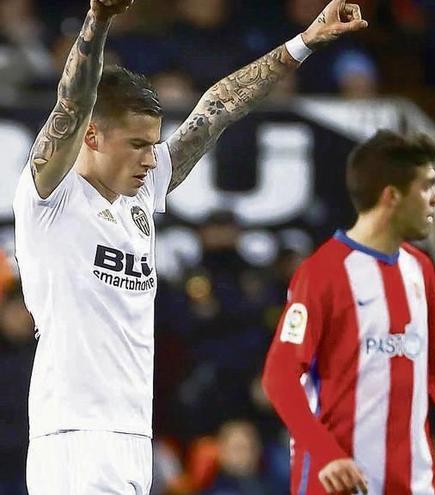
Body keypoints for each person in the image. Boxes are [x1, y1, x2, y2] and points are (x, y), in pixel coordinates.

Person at [12, 0, 367, 493]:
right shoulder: (50, 197)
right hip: (74, 439)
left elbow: (217, 108)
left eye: (153, 144)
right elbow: (71, 104)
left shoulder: (142, 194)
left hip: (134, 435)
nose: (149, 158)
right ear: (91, 136)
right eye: (137, 144)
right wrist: (99, 20)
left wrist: (303, 43)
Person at [261, 130, 435, 495]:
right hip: (339, 484)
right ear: (392, 196)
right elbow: (279, 377)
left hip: (413, 483)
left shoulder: (421, 269)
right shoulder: (323, 273)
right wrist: (326, 454)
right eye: (427, 187)